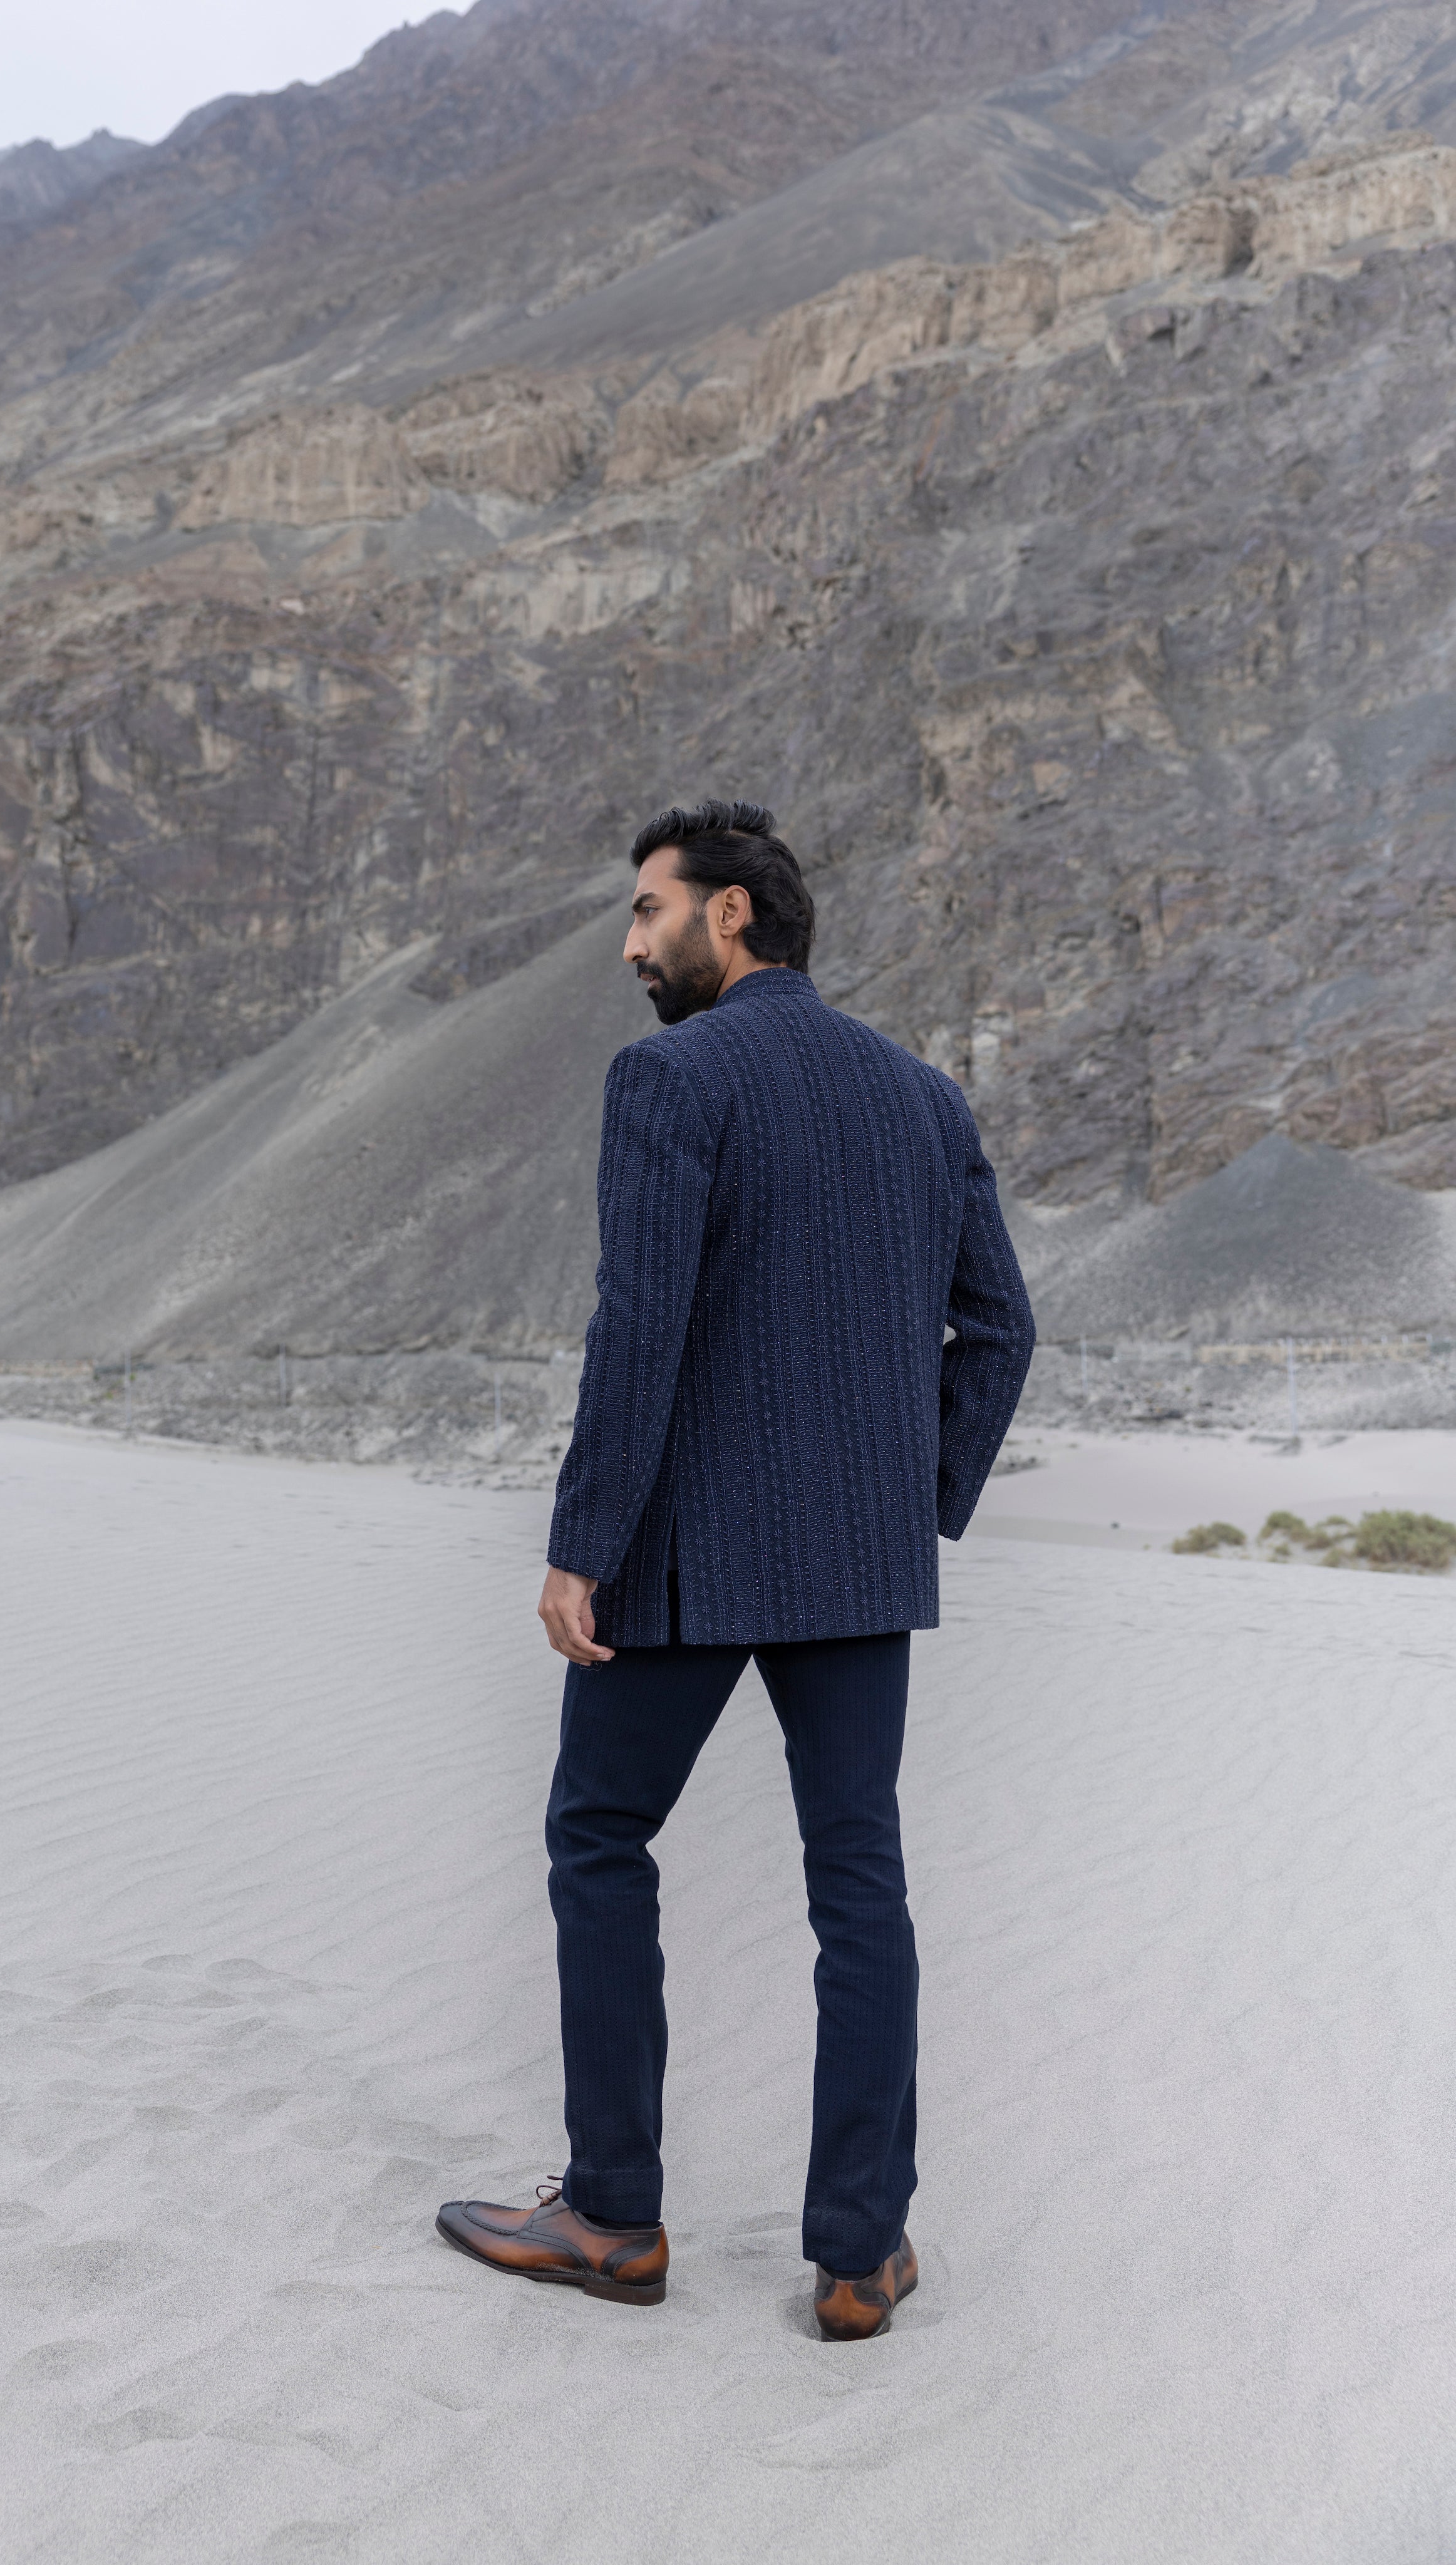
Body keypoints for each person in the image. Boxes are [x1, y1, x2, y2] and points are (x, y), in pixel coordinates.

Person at [436, 798, 1035, 2340]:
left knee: (597, 1841)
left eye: (649, 911)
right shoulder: (921, 1095)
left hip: (690, 1561)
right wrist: (917, 1502)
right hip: (858, 1565)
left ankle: (614, 2214)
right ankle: (857, 2255)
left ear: (735, 915)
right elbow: (1003, 1330)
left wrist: (581, 1544)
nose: (631, 945)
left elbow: (638, 1330)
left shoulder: (671, 1077)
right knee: (861, 1888)